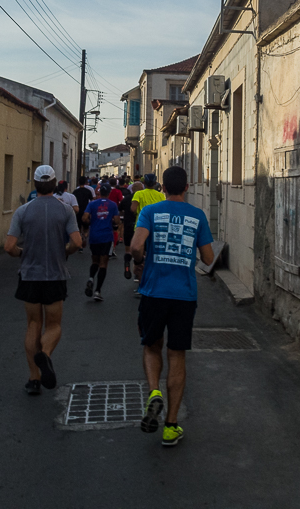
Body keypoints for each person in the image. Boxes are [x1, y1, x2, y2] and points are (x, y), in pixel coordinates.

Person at [130, 166, 213, 448]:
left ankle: (154, 393)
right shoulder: (198, 215)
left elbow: (136, 246)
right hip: (184, 294)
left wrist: (141, 260)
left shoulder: (149, 212)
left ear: (162, 187)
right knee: (177, 355)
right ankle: (171, 425)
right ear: (187, 187)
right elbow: (209, 257)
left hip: (154, 291)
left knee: (152, 346)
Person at [5, 165, 82, 396]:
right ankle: (45, 354)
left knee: (32, 325)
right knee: (54, 325)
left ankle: (34, 378)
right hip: (55, 274)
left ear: (35, 184)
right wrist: (65, 251)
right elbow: (77, 243)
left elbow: (9, 246)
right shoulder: (66, 210)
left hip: (29, 275)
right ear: (56, 183)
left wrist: (21, 253)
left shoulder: (23, 211)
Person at [130, 173, 166, 296]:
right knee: (154, 257)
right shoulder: (161, 196)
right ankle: (155, 284)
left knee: (140, 260)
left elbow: (133, 209)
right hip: (157, 229)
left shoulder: (138, 194)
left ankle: (142, 286)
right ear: (156, 183)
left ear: (144, 183)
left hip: (141, 229)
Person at [82, 182, 119, 301]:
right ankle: (97, 291)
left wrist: (90, 222)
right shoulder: (113, 205)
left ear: (99, 192)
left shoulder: (92, 204)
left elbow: (84, 218)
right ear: (109, 193)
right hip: (106, 236)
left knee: (95, 260)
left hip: (94, 236)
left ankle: (91, 278)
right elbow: (117, 221)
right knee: (104, 263)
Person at [117, 177, 135, 278]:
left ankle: (127, 261)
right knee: (141, 250)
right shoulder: (145, 198)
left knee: (128, 248)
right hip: (140, 227)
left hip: (128, 224)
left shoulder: (127, 199)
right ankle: (137, 269)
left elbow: (120, 209)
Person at [73, 176, 94, 244]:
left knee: (78, 227)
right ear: (85, 182)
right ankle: (84, 236)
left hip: (78, 211)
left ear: (78, 182)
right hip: (86, 211)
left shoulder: (75, 191)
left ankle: (80, 239)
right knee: (86, 227)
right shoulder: (88, 191)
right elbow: (92, 200)